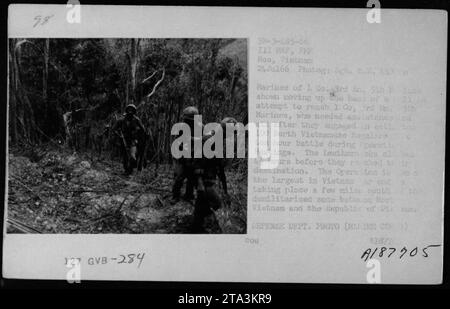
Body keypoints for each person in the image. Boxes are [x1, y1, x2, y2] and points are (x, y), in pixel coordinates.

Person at [170, 106, 200, 204]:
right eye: (187, 119)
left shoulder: (201, 127)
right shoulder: (181, 127)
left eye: (191, 120)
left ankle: (189, 195)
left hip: (194, 156)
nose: (189, 122)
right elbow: (177, 141)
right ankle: (175, 196)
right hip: (182, 154)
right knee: (179, 177)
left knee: (192, 177)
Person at [113, 104, 146, 175]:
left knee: (132, 156)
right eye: (129, 110)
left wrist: (138, 133)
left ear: (134, 112)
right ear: (127, 111)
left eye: (132, 110)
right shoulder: (121, 120)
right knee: (125, 156)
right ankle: (126, 170)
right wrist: (119, 135)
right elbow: (114, 129)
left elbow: (143, 130)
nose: (130, 112)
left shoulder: (136, 120)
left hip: (133, 140)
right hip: (123, 140)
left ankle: (131, 170)